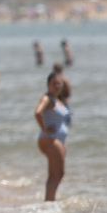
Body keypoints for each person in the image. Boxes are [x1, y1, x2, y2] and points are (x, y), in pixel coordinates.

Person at [34, 72, 71, 202]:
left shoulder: (58, 99)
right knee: (58, 174)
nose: (57, 86)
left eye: (59, 83)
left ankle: (49, 200)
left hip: (56, 140)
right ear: (48, 84)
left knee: (55, 174)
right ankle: (50, 201)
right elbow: (38, 113)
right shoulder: (47, 99)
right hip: (50, 139)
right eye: (54, 83)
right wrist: (45, 128)